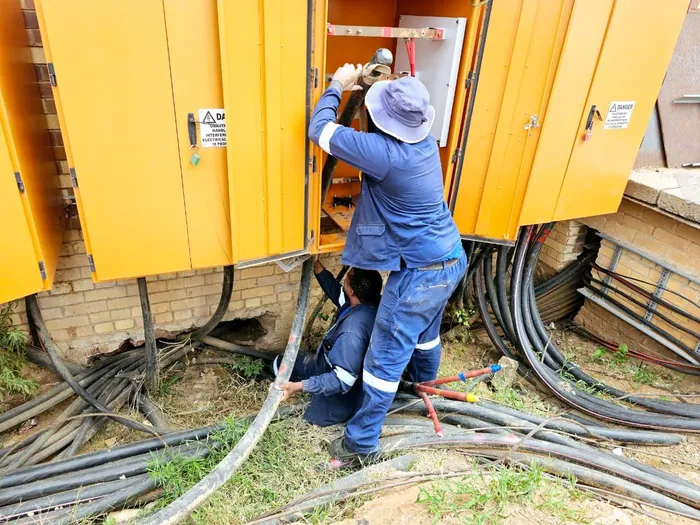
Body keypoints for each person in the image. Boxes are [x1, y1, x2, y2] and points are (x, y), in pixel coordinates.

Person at [308, 64, 467, 464]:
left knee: (382, 360)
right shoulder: (423, 143)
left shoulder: (384, 154)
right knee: (425, 337)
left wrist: (339, 84)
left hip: (419, 276)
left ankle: (360, 444)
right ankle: (421, 388)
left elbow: (319, 130)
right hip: (450, 258)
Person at [274, 257, 382, 427]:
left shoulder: (351, 333)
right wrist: (316, 264)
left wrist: (299, 386)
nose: (344, 282)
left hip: (340, 386)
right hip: (358, 370)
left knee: (280, 362)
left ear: (351, 291)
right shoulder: (373, 303)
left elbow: (342, 380)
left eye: (347, 279)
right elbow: (336, 291)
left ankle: (302, 386)